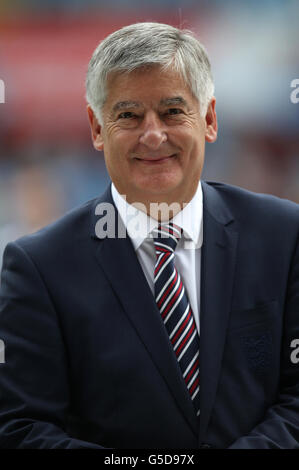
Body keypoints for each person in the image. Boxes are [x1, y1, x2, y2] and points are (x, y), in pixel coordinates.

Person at [0, 22, 298, 450]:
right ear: (97, 128)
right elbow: (22, 428)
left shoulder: (284, 237)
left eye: (173, 111)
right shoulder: (39, 268)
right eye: (128, 115)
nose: (153, 134)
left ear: (210, 118)